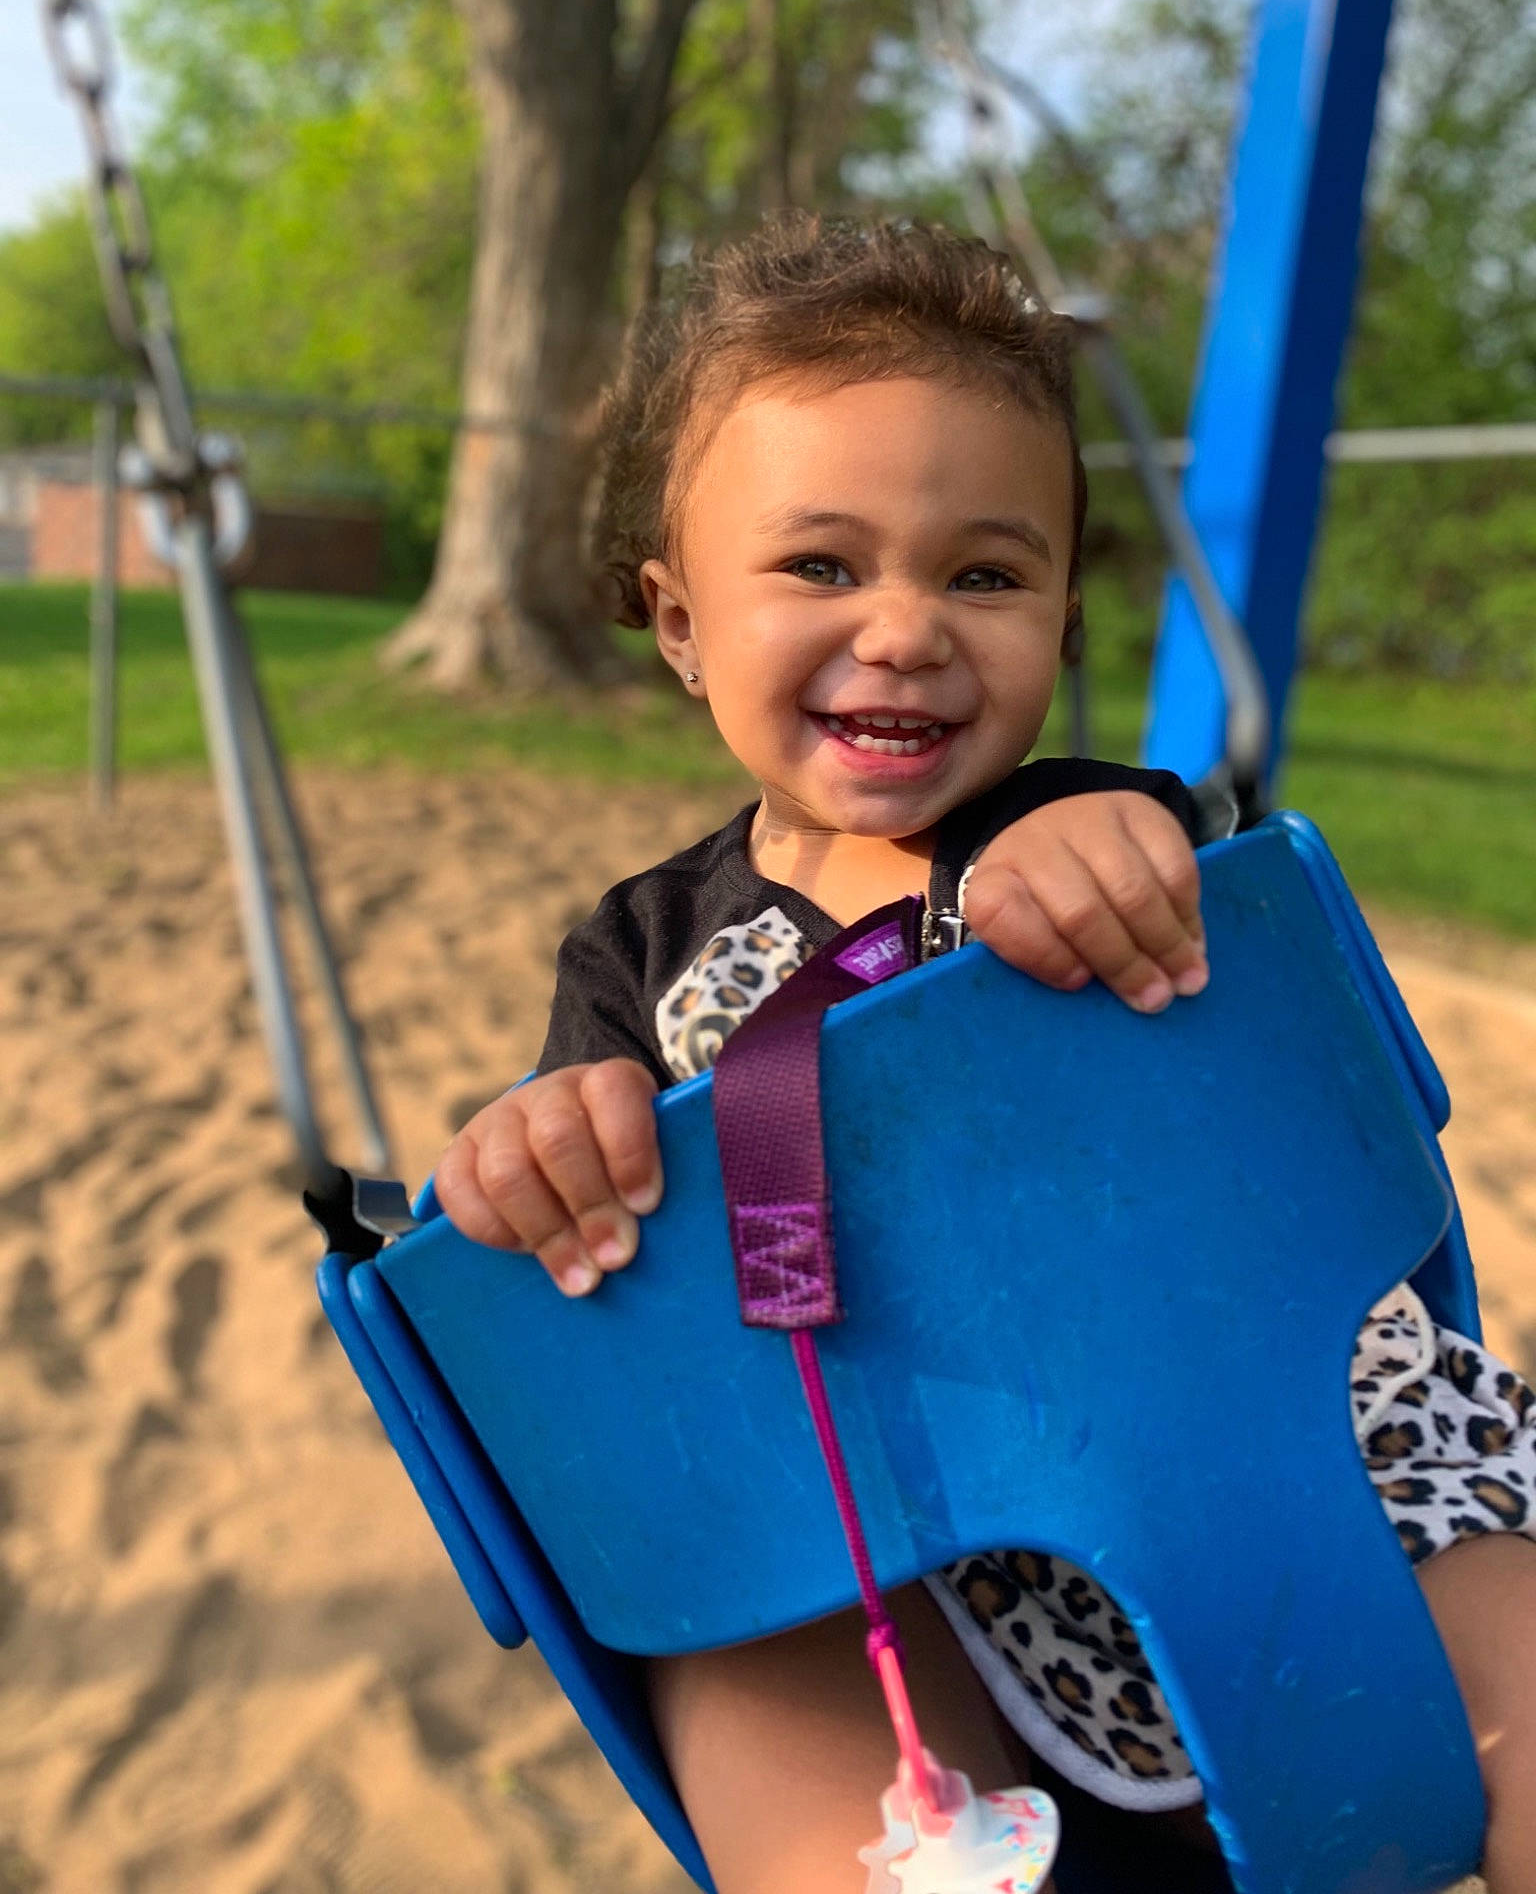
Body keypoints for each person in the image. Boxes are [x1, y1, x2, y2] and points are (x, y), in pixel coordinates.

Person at [435, 216, 1536, 1893]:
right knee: (737, 1649)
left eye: (984, 573)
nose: (904, 629)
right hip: (866, 1518)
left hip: (1271, 1425)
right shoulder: (641, 954)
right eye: (821, 566)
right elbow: (595, 1248)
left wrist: (1126, 868)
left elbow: (1260, 1058)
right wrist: (544, 1142)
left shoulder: (1099, 835)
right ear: (675, 619)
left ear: (1063, 617)